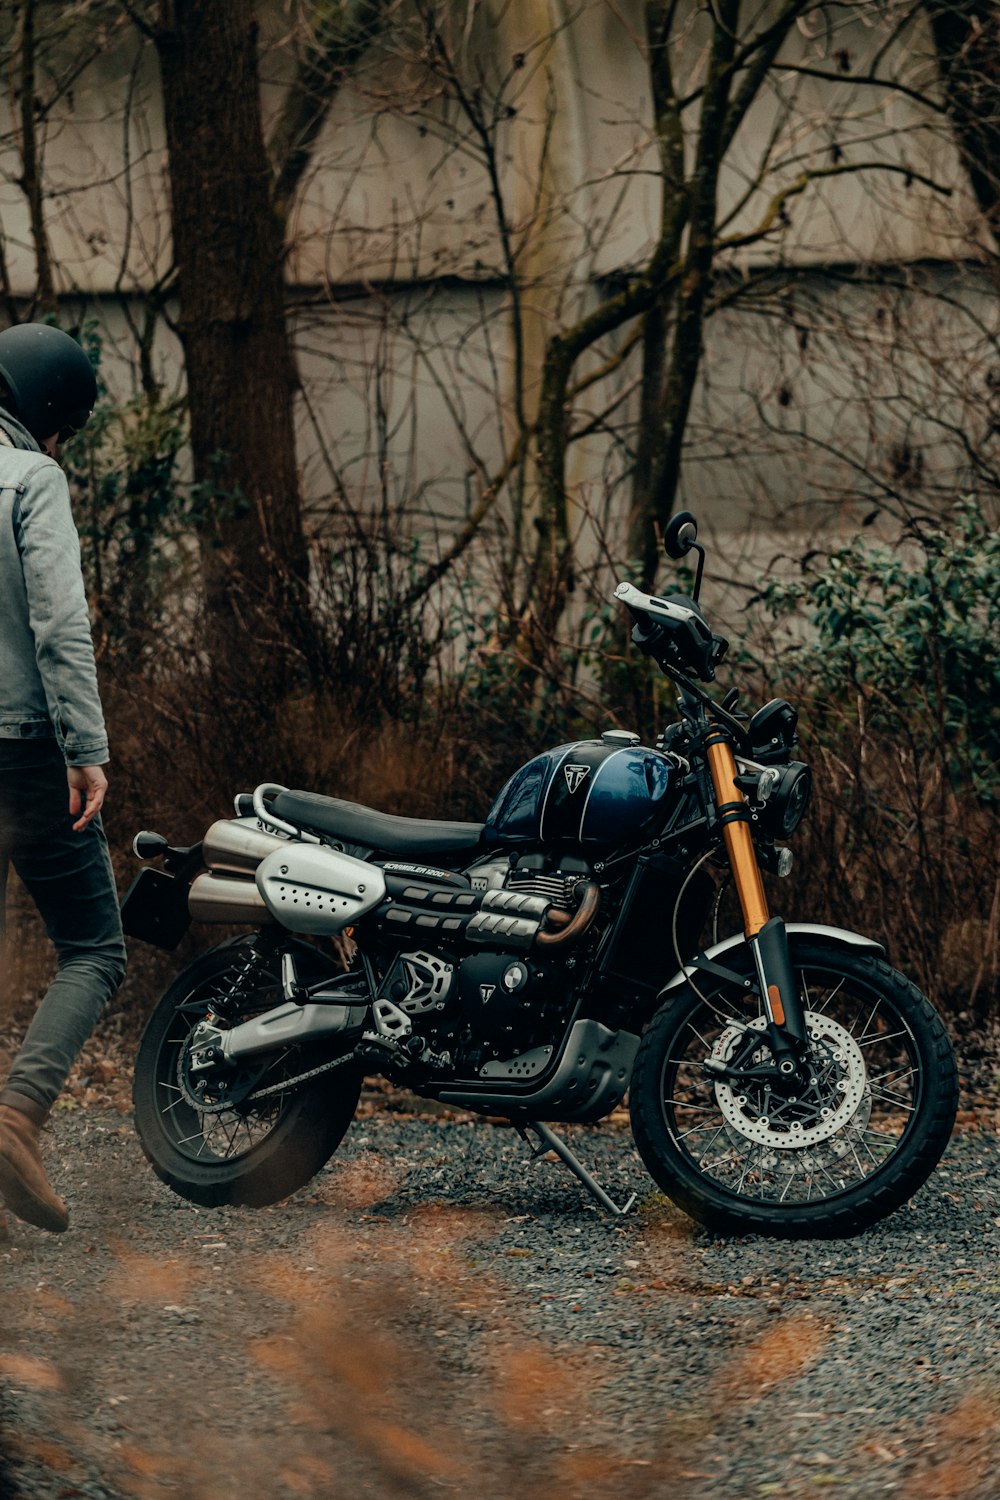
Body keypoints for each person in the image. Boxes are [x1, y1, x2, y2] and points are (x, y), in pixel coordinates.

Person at [0, 322, 126, 1234]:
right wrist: (87, 748)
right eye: (64, 427)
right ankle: (14, 1119)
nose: (59, 448)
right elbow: (58, 625)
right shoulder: (30, 480)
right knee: (95, 946)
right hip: (22, 752)